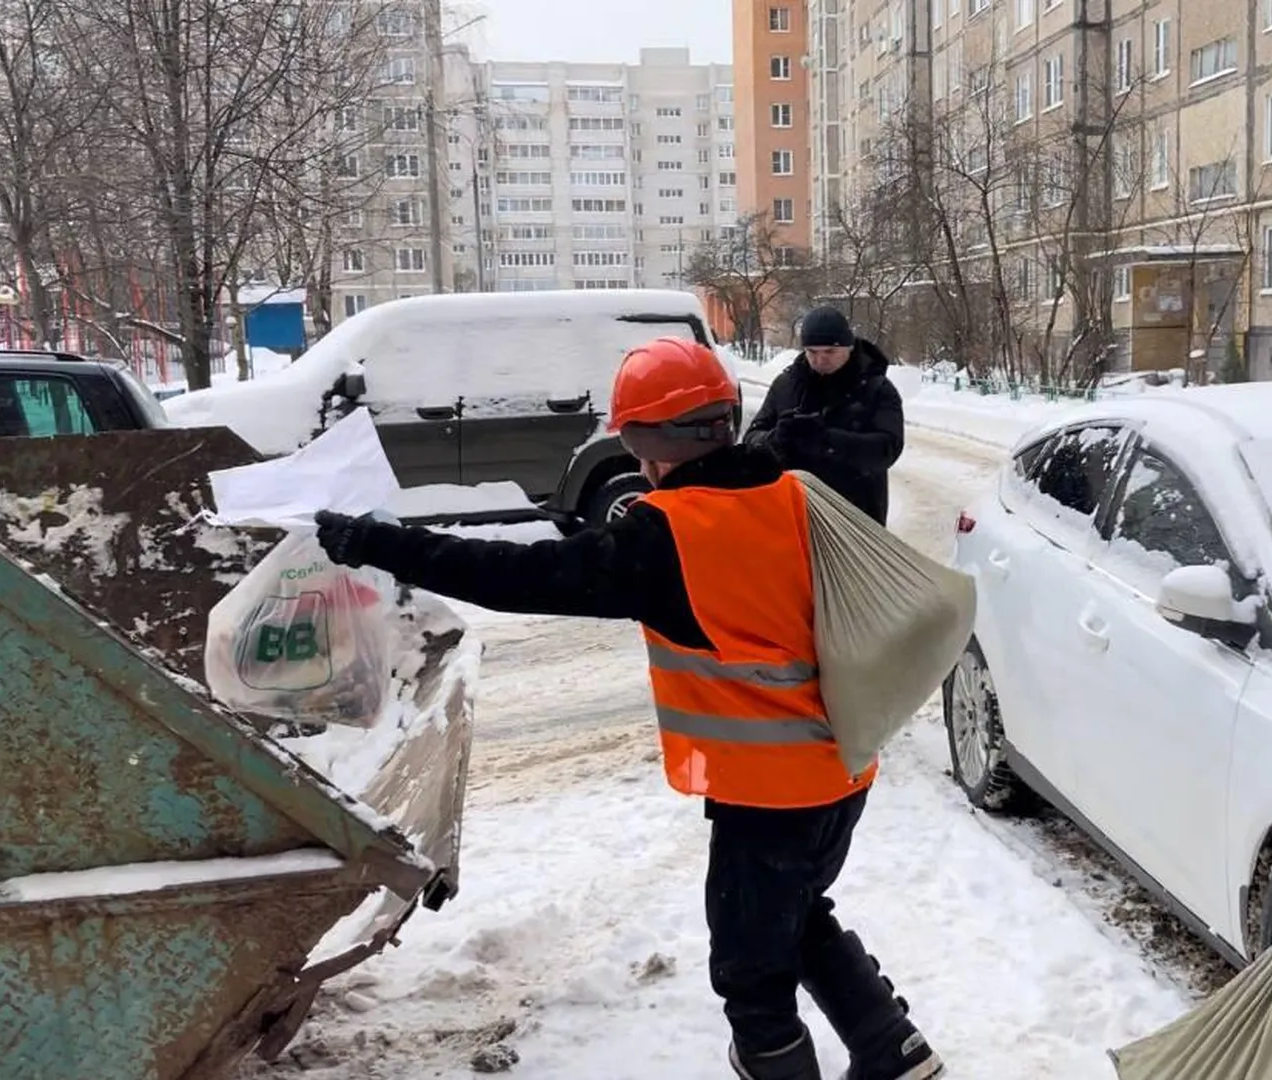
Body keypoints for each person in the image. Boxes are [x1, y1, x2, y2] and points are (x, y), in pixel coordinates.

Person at [312, 337, 944, 1080]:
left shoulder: (665, 537)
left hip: (769, 793)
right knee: (798, 919)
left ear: (650, 441)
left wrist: (380, 542)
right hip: (844, 766)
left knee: (751, 971)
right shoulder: (790, 492)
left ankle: (825, 1062)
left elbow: (517, 577)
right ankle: (893, 1050)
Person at [744, 306, 904, 525]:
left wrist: (828, 441)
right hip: (791, 515)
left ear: (848, 347)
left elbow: (888, 448)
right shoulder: (787, 385)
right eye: (812, 352)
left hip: (855, 517)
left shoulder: (877, 389)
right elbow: (752, 439)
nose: (820, 360)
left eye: (829, 352)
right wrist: (775, 439)